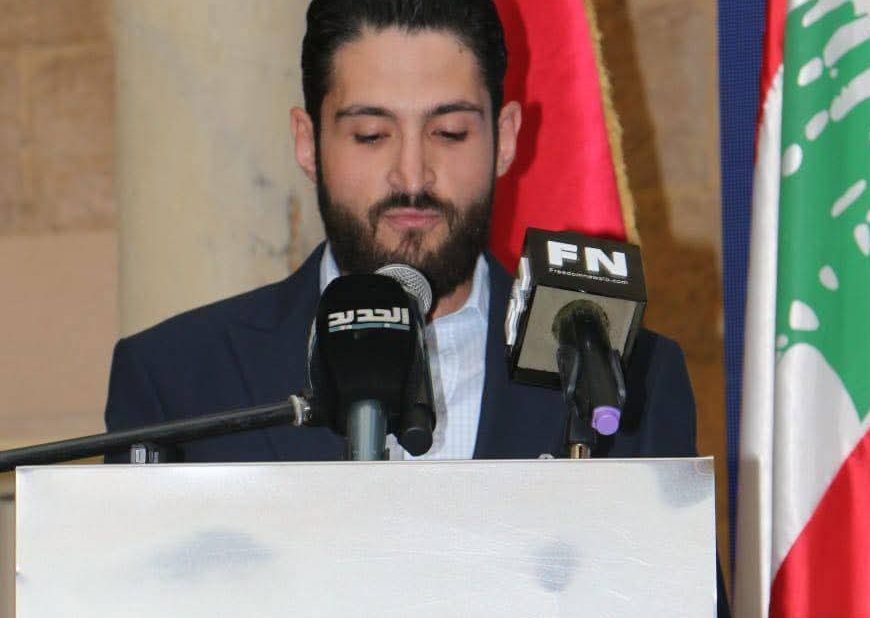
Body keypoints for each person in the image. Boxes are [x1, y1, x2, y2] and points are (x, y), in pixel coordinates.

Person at [105, 0, 697, 464]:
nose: (412, 177)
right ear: (308, 142)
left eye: (450, 133)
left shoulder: (625, 378)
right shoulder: (178, 380)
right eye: (371, 135)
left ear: (506, 138)